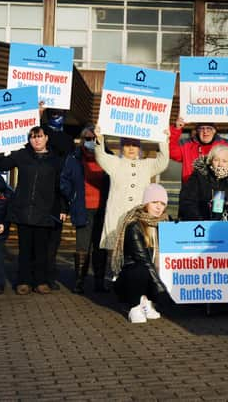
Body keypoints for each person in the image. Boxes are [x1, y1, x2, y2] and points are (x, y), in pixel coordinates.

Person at [0, 126, 66, 295]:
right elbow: (1, 165)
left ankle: (40, 281)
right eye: (33, 137)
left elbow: (61, 185)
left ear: (46, 138)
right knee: (25, 249)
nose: (36, 140)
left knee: (42, 249)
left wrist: (63, 207)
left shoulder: (56, 160)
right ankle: (24, 281)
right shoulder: (22, 155)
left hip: (45, 211)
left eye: (40, 136)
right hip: (23, 209)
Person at [94, 128, 169, 257]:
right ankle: (117, 275)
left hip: (139, 215)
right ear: (122, 147)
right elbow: (100, 156)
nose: (131, 148)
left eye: (134, 145)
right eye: (127, 144)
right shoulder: (114, 163)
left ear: (139, 147)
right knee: (118, 250)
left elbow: (163, 162)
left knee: (138, 248)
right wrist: (100, 138)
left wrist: (163, 140)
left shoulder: (147, 165)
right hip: (117, 214)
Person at [60, 124, 110, 293]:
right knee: (82, 246)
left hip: (103, 210)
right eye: (88, 138)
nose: (91, 141)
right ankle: (79, 282)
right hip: (83, 208)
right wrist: (72, 195)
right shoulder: (73, 158)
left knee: (100, 246)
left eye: (94, 138)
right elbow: (64, 180)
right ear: (82, 140)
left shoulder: (107, 156)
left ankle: (99, 282)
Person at [111, 183, 169, 323]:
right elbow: (144, 260)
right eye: (154, 202)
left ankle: (147, 301)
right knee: (140, 269)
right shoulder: (134, 225)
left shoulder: (165, 222)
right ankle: (135, 306)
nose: (158, 207)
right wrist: (161, 288)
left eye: (162, 203)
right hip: (130, 278)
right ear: (145, 203)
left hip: (150, 275)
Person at [41, 105, 75, 290]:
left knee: (53, 240)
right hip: (38, 194)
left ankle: (49, 275)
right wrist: (37, 114)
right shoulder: (40, 132)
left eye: (59, 113)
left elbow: (69, 174)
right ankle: (36, 275)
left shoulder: (68, 140)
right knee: (39, 239)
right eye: (52, 113)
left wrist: (64, 205)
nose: (56, 116)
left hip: (58, 195)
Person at [170, 117, 228, 184]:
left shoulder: (225, 145)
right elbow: (170, 151)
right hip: (191, 194)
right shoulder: (187, 145)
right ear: (197, 131)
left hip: (218, 193)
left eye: (209, 128)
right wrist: (176, 129)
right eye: (202, 129)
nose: (205, 132)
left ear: (214, 131)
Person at [178, 144, 228, 221]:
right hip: (202, 223)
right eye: (216, 160)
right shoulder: (198, 177)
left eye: (224, 161)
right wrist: (200, 221)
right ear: (210, 161)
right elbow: (187, 202)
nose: (220, 164)